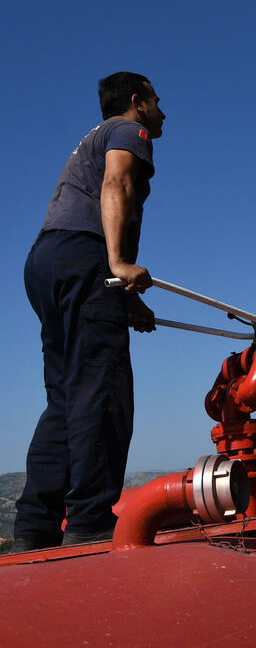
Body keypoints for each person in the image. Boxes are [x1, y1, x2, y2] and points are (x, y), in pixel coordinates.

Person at [13, 72, 165, 551]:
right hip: (86, 258)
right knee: (103, 385)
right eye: (159, 102)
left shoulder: (91, 138)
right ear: (138, 102)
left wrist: (126, 297)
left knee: (65, 395)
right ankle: (89, 522)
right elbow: (116, 183)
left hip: (47, 261)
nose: (164, 112)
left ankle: (34, 531)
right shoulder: (128, 131)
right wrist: (118, 265)